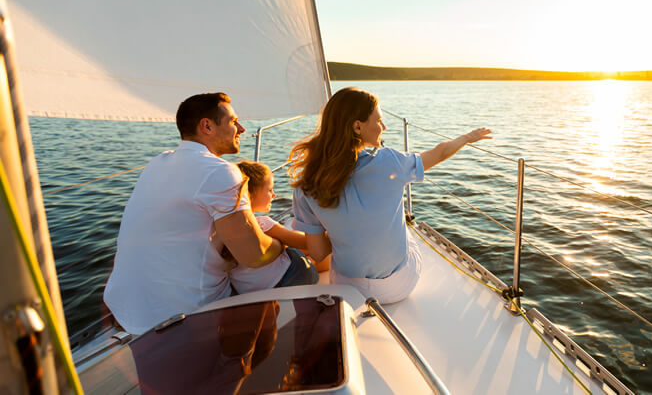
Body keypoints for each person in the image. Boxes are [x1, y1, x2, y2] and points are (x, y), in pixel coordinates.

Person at [104, 93, 310, 335]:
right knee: (298, 265)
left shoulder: (157, 163)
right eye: (234, 121)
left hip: (125, 308)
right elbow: (254, 256)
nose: (242, 128)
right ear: (207, 126)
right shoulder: (220, 172)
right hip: (187, 312)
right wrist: (283, 243)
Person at [289, 87, 491, 303]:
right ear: (357, 126)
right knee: (406, 228)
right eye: (378, 121)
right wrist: (467, 138)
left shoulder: (306, 184)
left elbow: (318, 253)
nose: (384, 127)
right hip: (396, 287)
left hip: (346, 288)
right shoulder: (390, 162)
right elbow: (439, 153)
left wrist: (345, 231)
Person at [226, 160, 321, 294]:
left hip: (249, 290)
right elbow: (307, 243)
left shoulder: (224, 229)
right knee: (304, 251)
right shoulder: (263, 224)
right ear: (250, 195)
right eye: (270, 190)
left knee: (289, 246)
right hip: (293, 277)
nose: (274, 195)